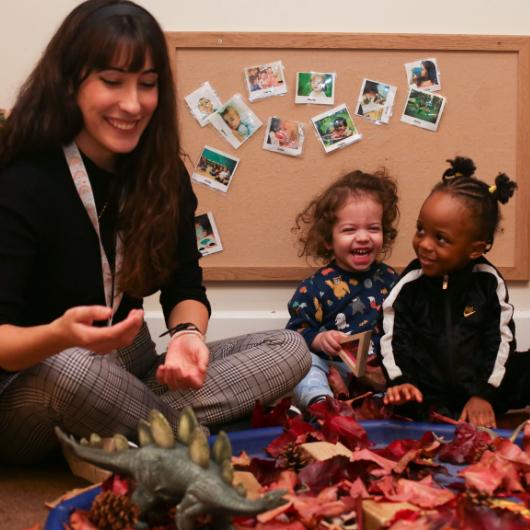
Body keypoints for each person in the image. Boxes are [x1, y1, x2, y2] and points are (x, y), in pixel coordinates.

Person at [0, 0, 311, 463]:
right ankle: (188, 447)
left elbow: (184, 284)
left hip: (127, 366)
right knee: (74, 370)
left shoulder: (162, 175)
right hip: (35, 381)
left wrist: (187, 336)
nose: (133, 103)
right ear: (70, 84)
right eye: (112, 82)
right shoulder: (22, 177)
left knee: (290, 348)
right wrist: (62, 336)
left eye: (147, 85)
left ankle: (134, 436)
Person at [381, 156, 523, 428]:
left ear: (475, 249)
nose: (424, 244)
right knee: (406, 401)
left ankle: (479, 406)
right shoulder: (411, 284)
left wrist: (484, 394)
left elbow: (501, 339)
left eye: (440, 238)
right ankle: (429, 407)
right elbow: (393, 335)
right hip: (426, 391)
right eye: (421, 229)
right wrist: (400, 380)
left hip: (481, 387)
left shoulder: (487, 282)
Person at [286, 170, 400, 409]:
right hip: (333, 369)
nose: (363, 238)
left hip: (379, 373)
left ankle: (381, 406)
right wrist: (319, 339)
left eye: (373, 228)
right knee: (304, 361)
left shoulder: (392, 281)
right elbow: (295, 335)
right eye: (349, 230)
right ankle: (320, 402)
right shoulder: (314, 288)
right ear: (329, 239)